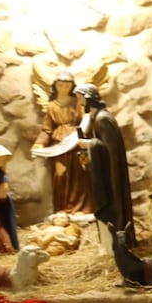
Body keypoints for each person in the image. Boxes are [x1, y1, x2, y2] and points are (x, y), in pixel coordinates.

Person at [75, 83, 136, 251]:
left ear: (88, 99)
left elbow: (112, 150)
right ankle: (110, 246)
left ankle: (118, 245)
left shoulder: (103, 119)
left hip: (111, 177)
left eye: (81, 99)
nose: (80, 104)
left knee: (112, 208)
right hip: (106, 173)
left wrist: (88, 144)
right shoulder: (98, 118)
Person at [31, 70, 93, 215]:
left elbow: (86, 122)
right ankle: (62, 209)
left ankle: (81, 208)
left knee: (81, 174)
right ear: (55, 86)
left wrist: (83, 138)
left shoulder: (78, 103)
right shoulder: (52, 106)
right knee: (60, 175)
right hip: (58, 146)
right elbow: (46, 129)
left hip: (77, 143)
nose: (64, 88)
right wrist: (39, 144)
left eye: (67, 85)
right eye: (60, 85)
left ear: (72, 86)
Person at [0, 143, 19, 254]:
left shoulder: (1, 176)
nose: (0, 164)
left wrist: (4, 197)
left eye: (3, 161)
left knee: (7, 246)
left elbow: (4, 202)